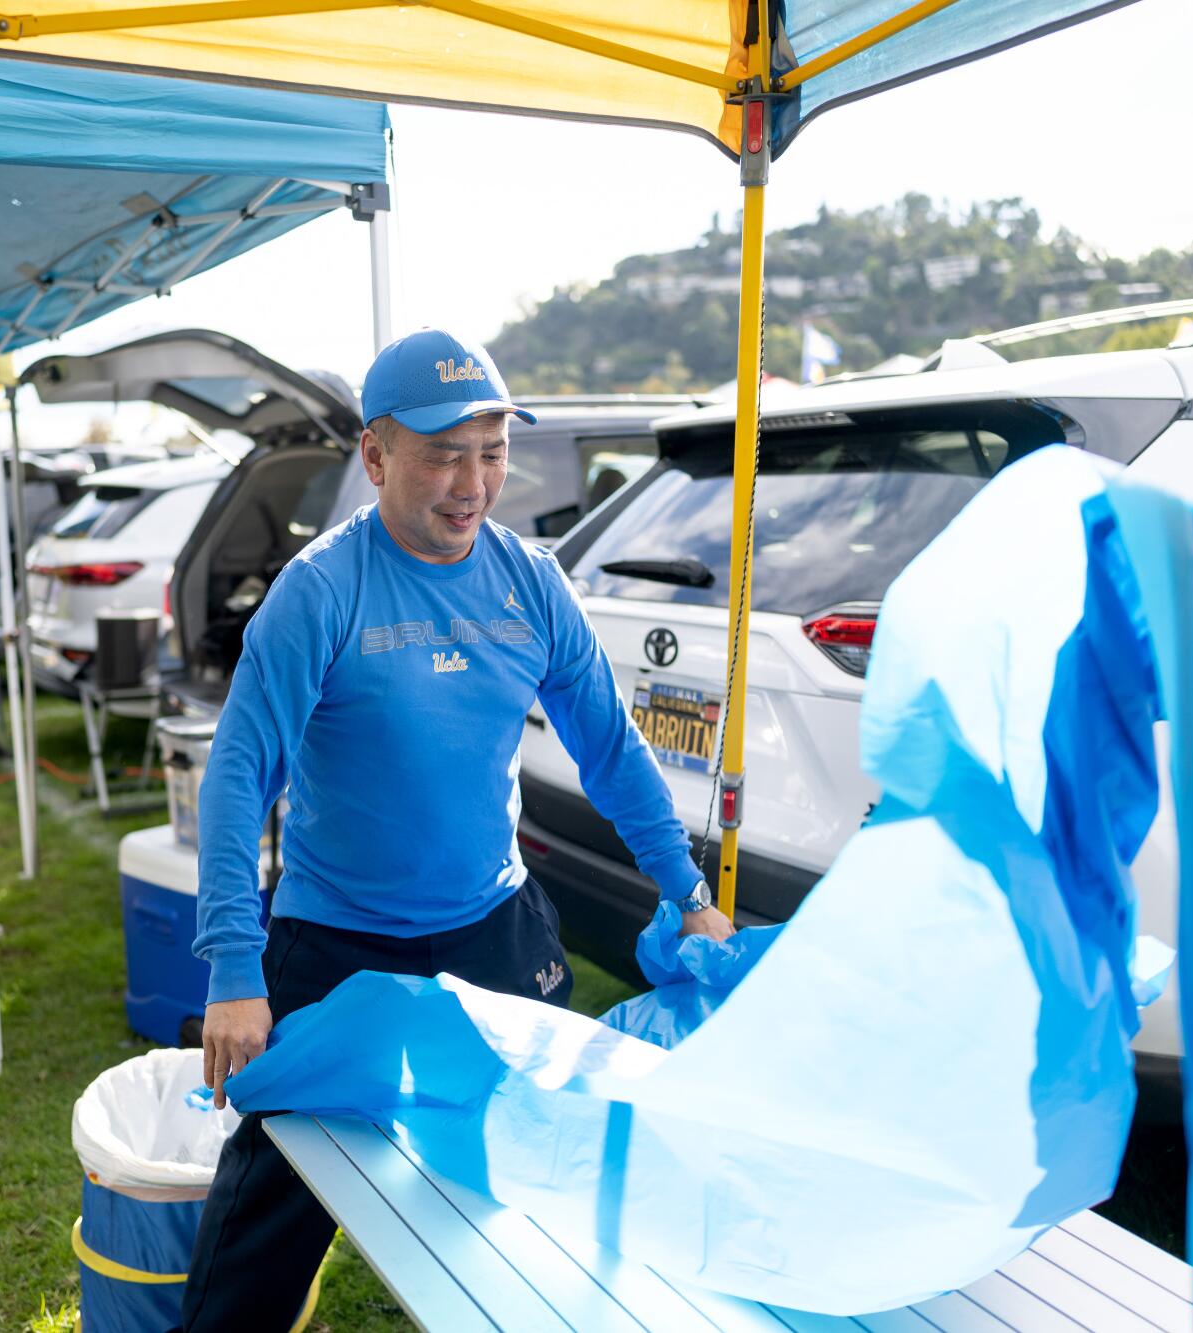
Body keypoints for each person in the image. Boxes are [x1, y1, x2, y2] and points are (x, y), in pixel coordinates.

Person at [179, 329, 737, 1331]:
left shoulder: (529, 583)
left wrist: (686, 896)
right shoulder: (319, 592)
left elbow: (610, 748)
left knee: (516, 1182)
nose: (470, 480)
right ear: (376, 455)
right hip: (333, 935)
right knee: (278, 1187)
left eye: (489, 450)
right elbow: (236, 780)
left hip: (491, 927)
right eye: (442, 451)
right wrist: (231, 965)